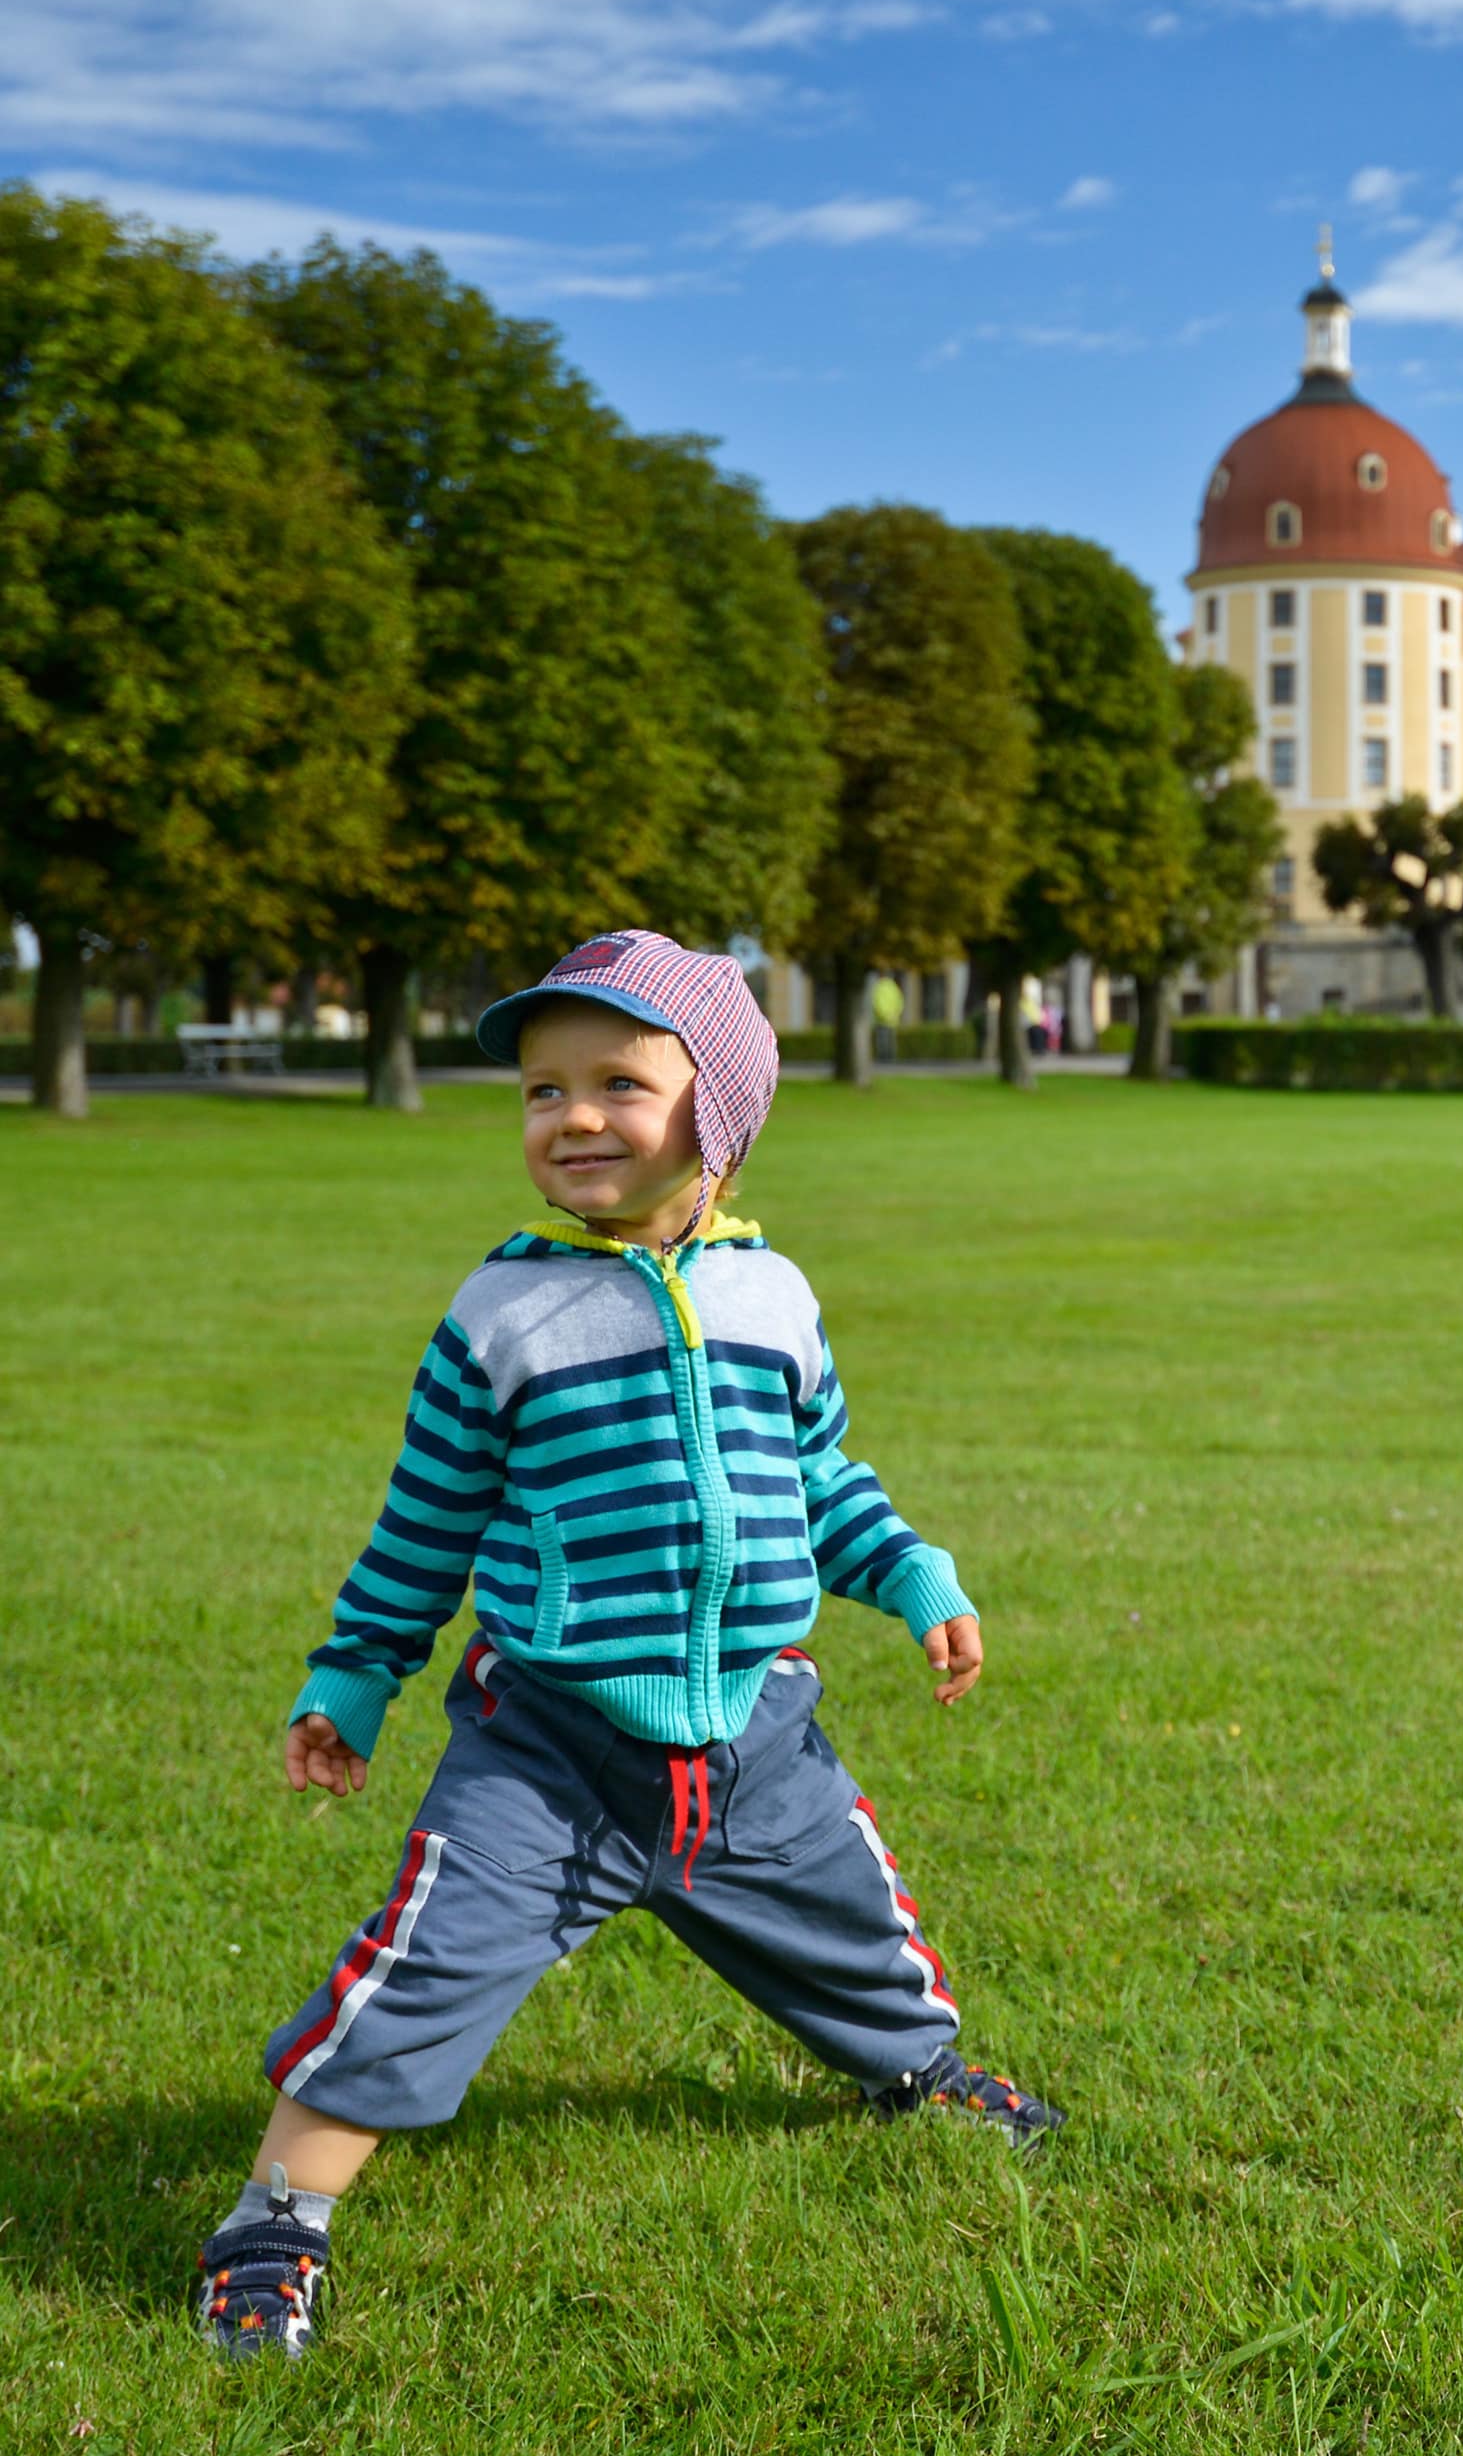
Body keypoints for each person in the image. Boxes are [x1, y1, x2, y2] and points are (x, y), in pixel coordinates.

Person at [195, 930, 1060, 2364]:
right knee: (417, 1979)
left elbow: (819, 1479)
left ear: (716, 1111)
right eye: (543, 1091)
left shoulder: (774, 1300)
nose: (573, 1117)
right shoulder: (502, 1318)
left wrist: (912, 1574)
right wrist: (354, 1676)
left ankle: (920, 2074)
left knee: (855, 1934)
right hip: (552, 1753)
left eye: (618, 1084)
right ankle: (274, 2225)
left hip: (753, 1739)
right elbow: (424, 1526)